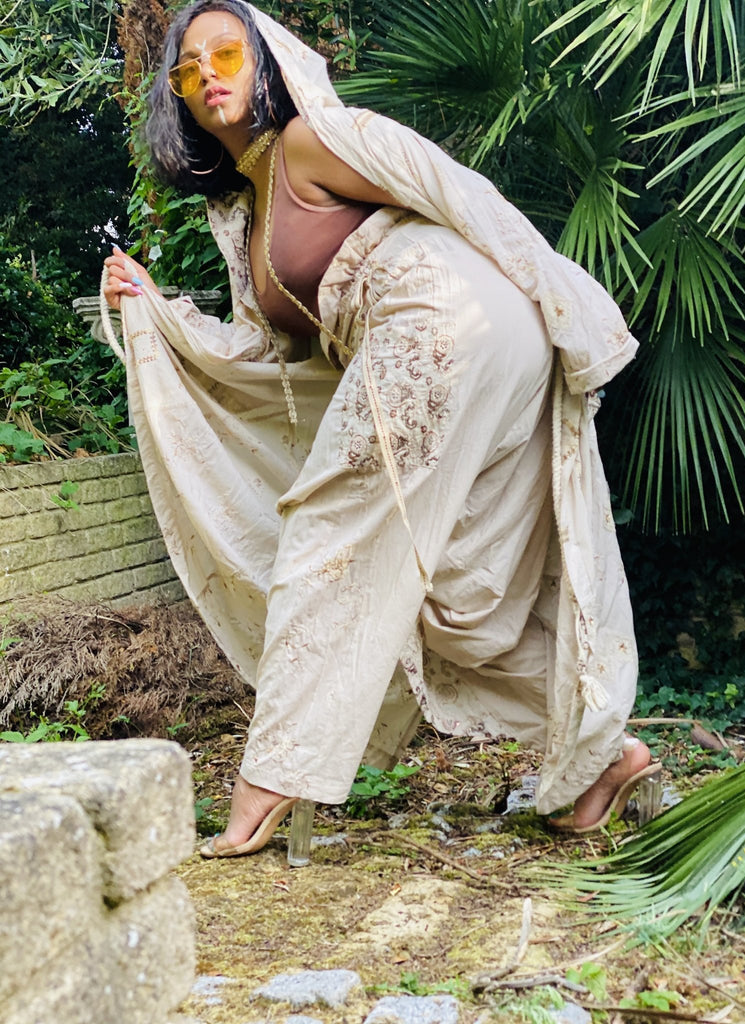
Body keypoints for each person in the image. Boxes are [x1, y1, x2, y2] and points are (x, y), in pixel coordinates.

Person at [103, 0, 655, 857]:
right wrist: (153, 308)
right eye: (187, 69)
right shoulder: (242, 215)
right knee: (454, 600)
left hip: (440, 315)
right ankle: (604, 759)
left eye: (227, 53)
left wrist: (573, 310)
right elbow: (267, 353)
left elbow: (457, 191)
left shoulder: (313, 138)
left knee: (326, 532)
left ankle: (271, 777)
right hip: (462, 342)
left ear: (267, 61)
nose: (208, 74)